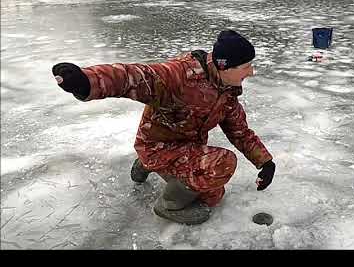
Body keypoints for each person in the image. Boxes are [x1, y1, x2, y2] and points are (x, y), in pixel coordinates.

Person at [52, 30, 276, 225]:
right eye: (246, 66)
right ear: (224, 66)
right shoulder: (179, 75)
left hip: (184, 148)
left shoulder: (226, 90)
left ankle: (148, 165)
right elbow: (135, 77)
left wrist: (265, 162)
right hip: (157, 145)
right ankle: (168, 205)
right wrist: (87, 81)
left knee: (214, 196)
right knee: (222, 164)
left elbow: (240, 130)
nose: (251, 72)